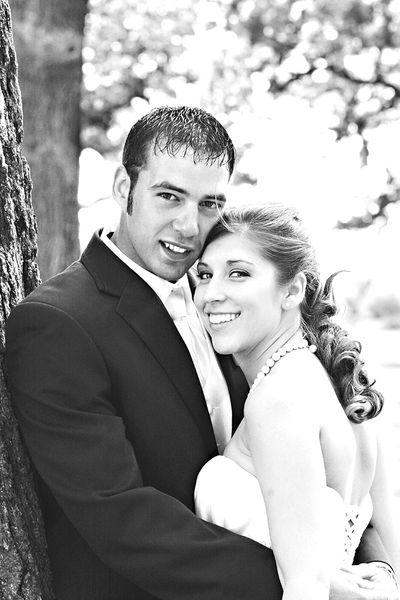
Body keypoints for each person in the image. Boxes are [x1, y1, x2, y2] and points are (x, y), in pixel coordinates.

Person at [4, 106, 397, 600]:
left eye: (209, 203)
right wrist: (312, 580)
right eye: (169, 196)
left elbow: (326, 479)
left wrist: (378, 570)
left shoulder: (231, 305)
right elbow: (118, 514)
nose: (189, 226)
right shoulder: (58, 323)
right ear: (124, 188)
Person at [194, 203, 400, 600]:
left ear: (292, 290)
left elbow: (306, 585)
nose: (211, 294)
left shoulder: (277, 398)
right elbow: (392, 552)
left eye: (238, 273)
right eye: (205, 275)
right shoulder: (339, 384)